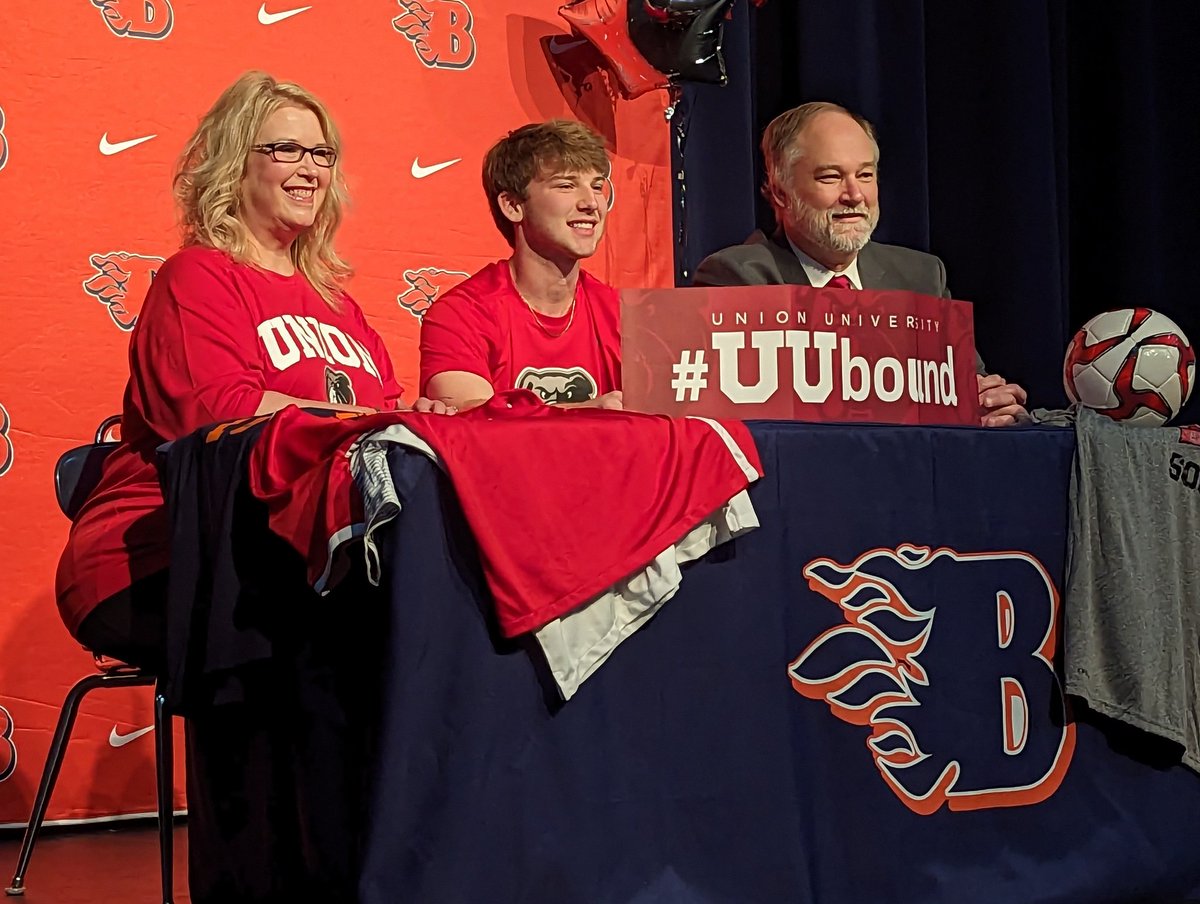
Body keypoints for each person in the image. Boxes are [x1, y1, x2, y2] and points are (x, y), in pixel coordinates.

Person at [55, 71, 446, 670]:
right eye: (285, 149)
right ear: (237, 164)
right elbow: (219, 414)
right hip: (163, 551)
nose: (310, 168)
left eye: (321, 153)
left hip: (289, 550)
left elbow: (384, 427)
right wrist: (369, 419)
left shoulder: (341, 307)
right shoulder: (198, 277)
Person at [694, 101, 1028, 427]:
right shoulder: (738, 278)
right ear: (781, 192)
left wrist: (988, 403)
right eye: (830, 177)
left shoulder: (921, 276)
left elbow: (965, 387)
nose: (854, 195)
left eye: (865, 175)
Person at [419, 120, 623, 411]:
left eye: (597, 186)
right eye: (566, 185)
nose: (592, 203)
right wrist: (588, 413)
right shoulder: (461, 314)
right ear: (513, 206)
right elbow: (469, 423)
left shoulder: (621, 315)